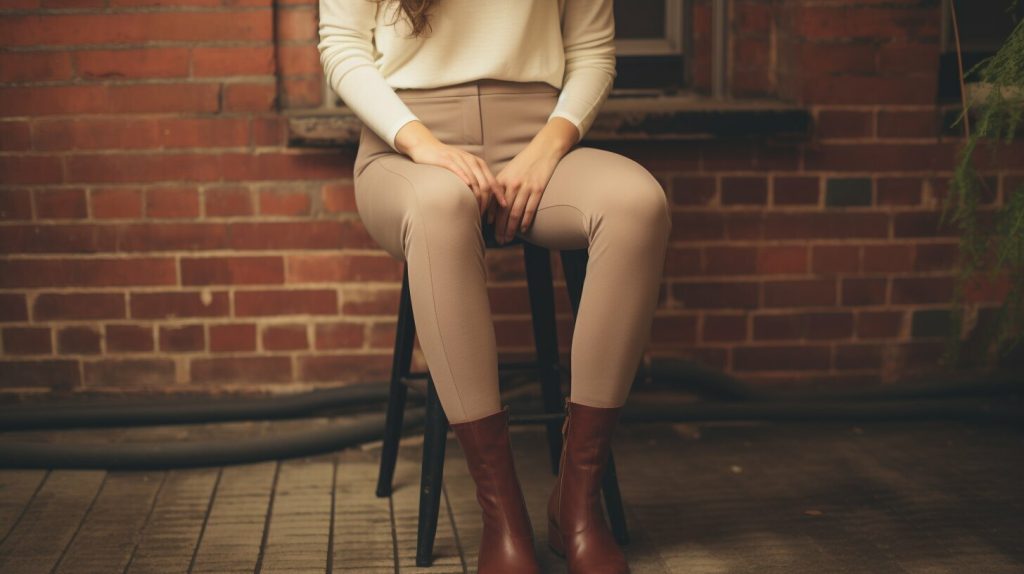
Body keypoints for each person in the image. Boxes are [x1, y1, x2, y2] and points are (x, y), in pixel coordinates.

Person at [317, 1, 671, 572]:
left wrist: (545, 150)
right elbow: (341, 45)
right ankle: (503, 514)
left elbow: (592, 53)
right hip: (404, 145)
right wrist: (422, 144)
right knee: (439, 206)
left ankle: (576, 504)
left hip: (536, 140)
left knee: (637, 205)